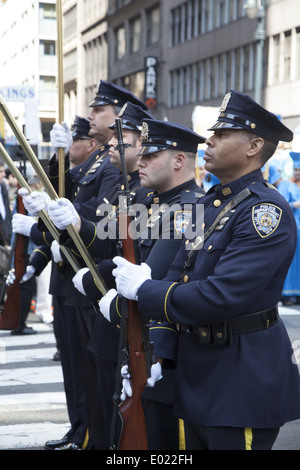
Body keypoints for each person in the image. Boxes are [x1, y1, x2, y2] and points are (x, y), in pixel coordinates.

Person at [106, 90, 300, 450]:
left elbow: (219, 295)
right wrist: (156, 355)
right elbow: (179, 274)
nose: (209, 141)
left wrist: (143, 290)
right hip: (199, 372)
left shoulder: (264, 213)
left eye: (222, 135)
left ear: (254, 145)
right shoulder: (212, 205)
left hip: (241, 378)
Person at [19, 82, 149, 450]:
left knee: (107, 382)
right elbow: (64, 193)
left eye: (99, 110)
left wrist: (71, 228)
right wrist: (59, 157)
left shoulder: (119, 174)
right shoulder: (102, 164)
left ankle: (95, 436)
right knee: (85, 373)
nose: (92, 116)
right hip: (82, 279)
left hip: (99, 284)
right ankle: (86, 432)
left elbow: (100, 222)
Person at [277, 151, 300, 305]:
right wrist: (295, 205)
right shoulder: (286, 185)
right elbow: (280, 206)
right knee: (292, 263)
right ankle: (289, 294)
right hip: (294, 228)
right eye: (296, 170)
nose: (297, 173)